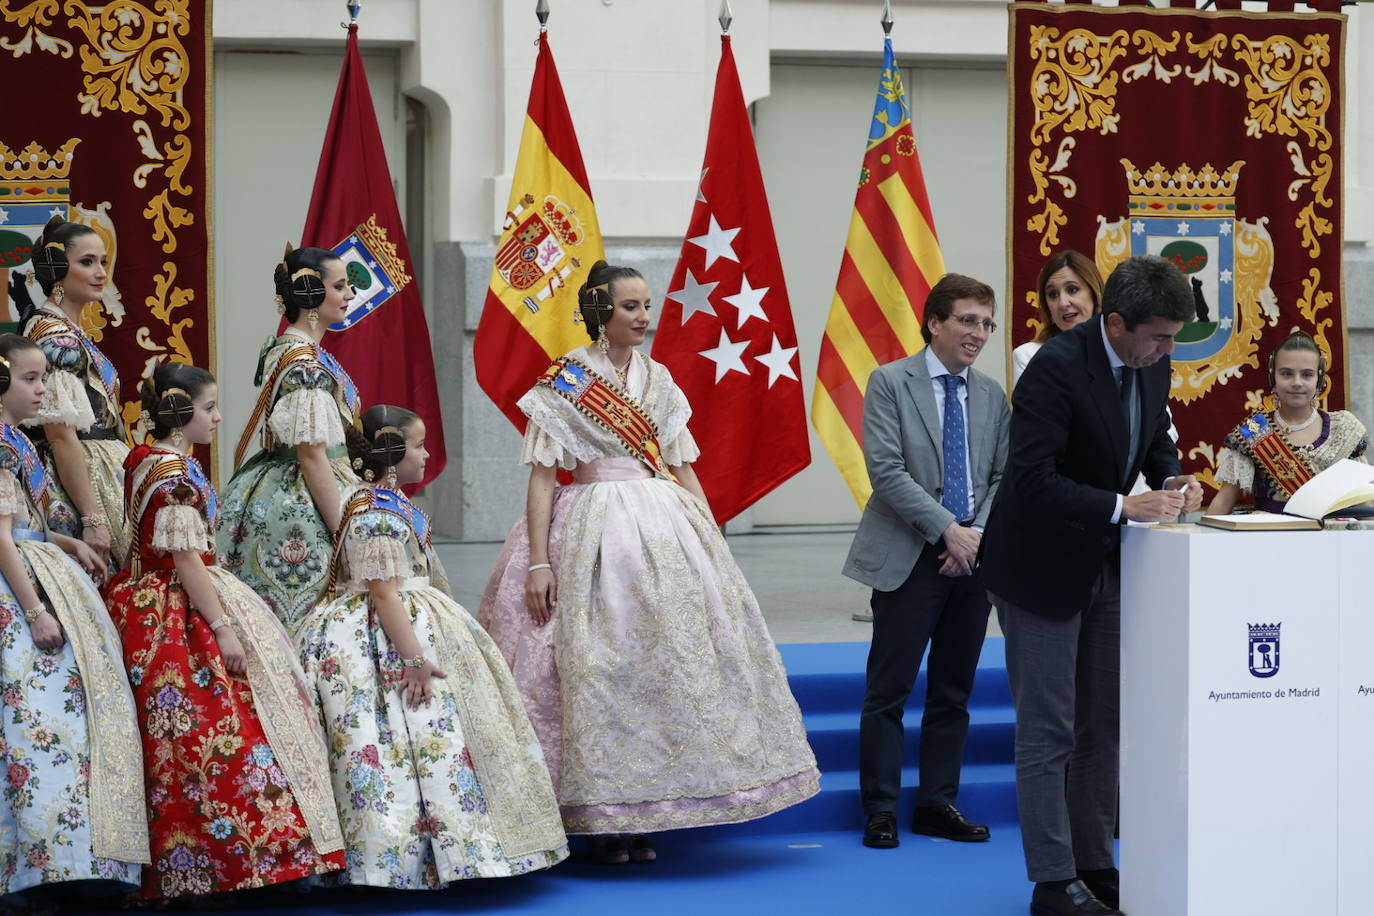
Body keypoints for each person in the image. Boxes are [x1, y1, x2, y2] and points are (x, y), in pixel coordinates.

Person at [478, 260, 819, 864]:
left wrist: (711, 537)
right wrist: (537, 562)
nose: (643, 317)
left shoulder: (659, 379)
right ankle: (601, 820)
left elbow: (682, 464)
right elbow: (540, 479)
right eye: (630, 307)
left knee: (658, 666)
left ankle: (645, 816)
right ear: (600, 312)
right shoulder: (564, 381)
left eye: (646, 306)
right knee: (596, 667)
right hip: (588, 528)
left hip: (662, 525)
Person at [979, 255, 1204, 916]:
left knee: (1102, 727)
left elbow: (1150, 442)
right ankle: (1053, 882)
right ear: (1115, 322)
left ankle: (1095, 866)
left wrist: (1171, 478)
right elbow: (1030, 480)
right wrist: (1120, 505)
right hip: (1038, 570)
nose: (1168, 349)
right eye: (1159, 336)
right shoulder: (1054, 368)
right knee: (1049, 732)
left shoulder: (1151, 360)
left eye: (1172, 339)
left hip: (1105, 565)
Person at [105, 361, 347, 902]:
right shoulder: (174, 479)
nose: (218, 419)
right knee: (216, 722)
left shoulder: (144, 459)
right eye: (209, 409)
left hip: (140, 599)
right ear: (179, 413)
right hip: (180, 605)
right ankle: (238, 858)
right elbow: (187, 559)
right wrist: (222, 627)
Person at [297, 405, 567, 888]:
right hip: (389, 633)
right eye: (418, 445)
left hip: (400, 617)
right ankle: (405, 856)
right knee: (401, 738)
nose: (426, 455)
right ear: (393, 452)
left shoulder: (373, 500)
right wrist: (416, 659)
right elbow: (383, 591)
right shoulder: (377, 511)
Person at [844, 274, 1011, 850]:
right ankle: (881, 808)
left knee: (954, 691)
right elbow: (886, 470)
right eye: (968, 320)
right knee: (888, 689)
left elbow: (1000, 475)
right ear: (934, 321)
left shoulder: (991, 393)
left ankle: (938, 802)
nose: (979, 333)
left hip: (972, 562)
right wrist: (947, 531)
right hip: (910, 557)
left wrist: (976, 535)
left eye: (987, 323)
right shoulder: (891, 382)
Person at [0, 333, 147, 907]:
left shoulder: (16, 441)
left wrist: (63, 542)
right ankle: (37, 867)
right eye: (31, 380)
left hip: (40, 565)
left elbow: (22, 526)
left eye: (43, 377)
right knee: (34, 719)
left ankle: (70, 861)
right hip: (20, 592)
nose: (44, 389)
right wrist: (34, 611)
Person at [218, 245, 362, 632]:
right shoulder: (304, 363)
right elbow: (313, 455)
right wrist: (343, 533)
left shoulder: (293, 350)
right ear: (313, 296)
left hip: (278, 479)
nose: (350, 295)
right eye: (340, 286)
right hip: (304, 491)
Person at [21, 215, 131, 573]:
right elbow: (60, 433)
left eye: (102, 262)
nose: (100, 272)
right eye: (87, 262)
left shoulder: (67, 332)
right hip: (79, 476)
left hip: (99, 466)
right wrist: (93, 516)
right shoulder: (57, 339)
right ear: (57, 271)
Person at [1208, 330, 1367, 515]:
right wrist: (1201, 539)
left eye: (1307, 375)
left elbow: (1363, 503)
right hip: (1269, 538)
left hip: (1330, 539)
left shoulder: (1344, 429)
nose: (1297, 382)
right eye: (1286, 374)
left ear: (1319, 380)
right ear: (1273, 378)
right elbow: (1224, 500)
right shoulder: (1254, 431)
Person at [1011, 251, 1102, 387]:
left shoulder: (1118, 351)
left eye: (1072, 290)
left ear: (1095, 294)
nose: (1062, 303)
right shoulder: (1029, 355)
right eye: (1053, 294)